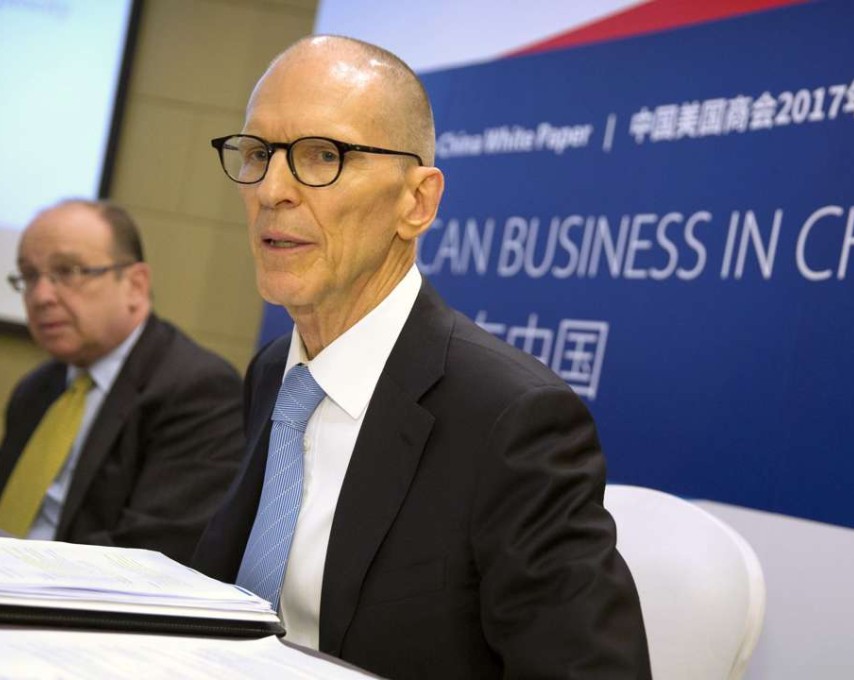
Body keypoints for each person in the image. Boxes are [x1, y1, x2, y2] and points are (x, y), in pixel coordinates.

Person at [192, 36, 650, 679]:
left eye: (323, 156)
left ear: (418, 203)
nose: (272, 189)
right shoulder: (275, 372)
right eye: (258, 153)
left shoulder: (510, 420)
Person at [0, 199, 246, 563]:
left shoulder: (198, 390)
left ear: (135, 284)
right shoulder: (36, 389)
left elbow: (150, 554)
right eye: (29, 276)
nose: (40, 297)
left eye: (68, 272)